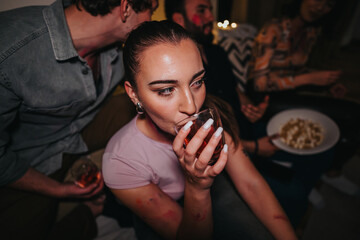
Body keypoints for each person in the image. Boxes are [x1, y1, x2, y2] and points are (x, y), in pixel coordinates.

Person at [103, 20, 297, 240]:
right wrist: (197, 188)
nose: (191, 106)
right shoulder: (120, 161)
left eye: (197, 82)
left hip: (212, 188)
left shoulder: (212, 116)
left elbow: (252, 184)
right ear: (134, 94)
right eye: (167, 89)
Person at [0, 0, 158, 239]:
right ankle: (86, 216)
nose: (152, 19)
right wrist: (59, 190)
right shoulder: (11, 49)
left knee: (150, 109)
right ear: (126, 7)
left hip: (79, 126)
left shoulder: (116, 49)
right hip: (32, 157)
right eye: (151, 10)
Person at [247, 0, 360, 197]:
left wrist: (325, 83)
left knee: (349, 114)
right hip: (263, 97)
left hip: (289, 93)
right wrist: (308, 79)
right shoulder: (272, 29)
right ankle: (318, 174)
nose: (319, 7)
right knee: (349, 113)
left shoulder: (311, 32)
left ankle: (328, 170)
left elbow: (297, 70)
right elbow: (259, 83)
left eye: (327, 5)